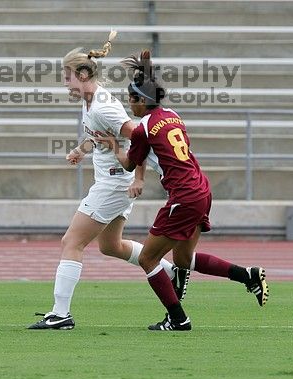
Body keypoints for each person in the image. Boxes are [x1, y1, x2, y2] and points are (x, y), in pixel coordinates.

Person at [94, 49, 269, 331]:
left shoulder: (142, 129)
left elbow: (129, 163)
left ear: (142, 100)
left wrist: (113, 145)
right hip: (201, 189)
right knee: (183, 260)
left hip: (184, 196)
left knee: (149, 257)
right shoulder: (172, 115)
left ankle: (178, 318)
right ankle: (247, 276)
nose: (130, 106)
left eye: (132, 100)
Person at [28, 32, 180, 330]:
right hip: (114, 182)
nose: (64, 82)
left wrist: (137, 172)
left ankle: (60, 314)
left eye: (67, 76)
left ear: (83, 74)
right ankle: (168, 271)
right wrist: (82, 150)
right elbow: (99, 134)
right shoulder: (90, 104)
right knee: (110, 246)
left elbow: (138, 134)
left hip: (113, 183)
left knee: (71, 241)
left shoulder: (102, 105)